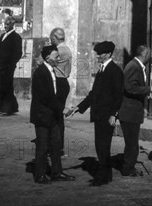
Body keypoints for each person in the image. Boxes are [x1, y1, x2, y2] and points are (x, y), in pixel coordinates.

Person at [67, 41, 123, 186]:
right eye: (97, 54)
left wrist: (113, 114)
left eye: (101, 54)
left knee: (104, 146)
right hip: (99, 115)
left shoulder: (115, 71)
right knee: (100, 146)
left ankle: (104, 176)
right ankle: (104, 174)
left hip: (107, 116)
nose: (98, 56)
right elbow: (93, 94)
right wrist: (79, 108)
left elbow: (118, 96)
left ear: (109, 54)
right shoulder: (102, 70)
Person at [30, 45, 75, 184]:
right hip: (43, 116)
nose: (59, 59)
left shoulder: (52, 71)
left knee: (56, 145)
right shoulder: (41, 73)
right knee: (43, 146)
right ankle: (40, 175)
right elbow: (47, 97)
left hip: (52, 115)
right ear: (48, 58)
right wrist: (63, 109)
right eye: (56, 56)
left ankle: (57, 172)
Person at [118, 45, 152, 177]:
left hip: (133, 111)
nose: (150, 58)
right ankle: (128, 169)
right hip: (129, 112)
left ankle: (128, 167)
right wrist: (148, 89)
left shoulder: (136, 66)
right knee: (132, 144)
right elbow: (129, 87)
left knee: (132, 143)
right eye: (149, 55)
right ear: (145, 54)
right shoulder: (134, 66)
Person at [0, 14, 22, 115]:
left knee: (7, 87)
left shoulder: (16, 37)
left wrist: (11, 65)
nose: (5, 26)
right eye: (5, 24)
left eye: (7, 24)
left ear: (12, 24)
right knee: (1, 86)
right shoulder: (3, 35)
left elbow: (18, 53)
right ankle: (0, 107)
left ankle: (7, 108)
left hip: (8, 67)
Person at [49, 27, 72, 154]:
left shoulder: (57, 50)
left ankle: (56, 144)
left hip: (58, 82)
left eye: (51, 38)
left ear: (54, 38)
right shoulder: (67, 49)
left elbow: (46, 61)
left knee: (55, 115)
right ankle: (59, 144)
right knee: (59, 115)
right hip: (64, 82)